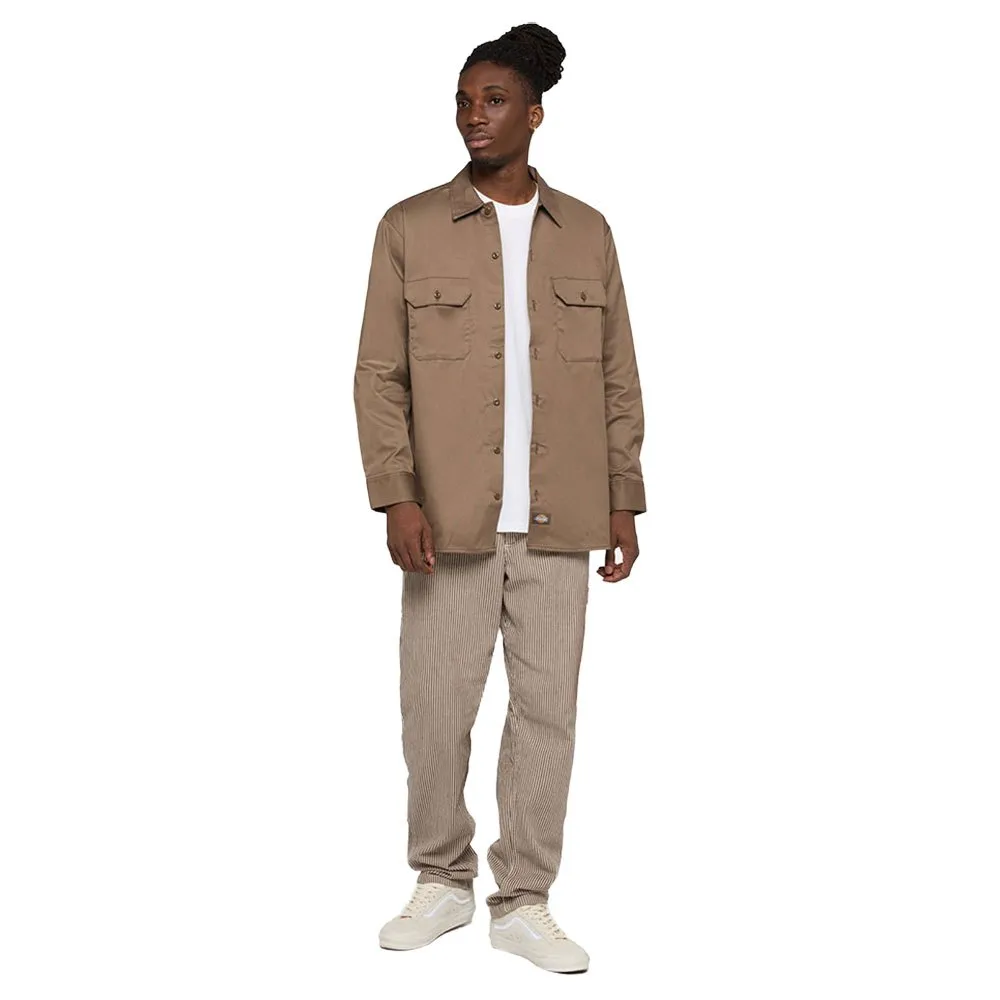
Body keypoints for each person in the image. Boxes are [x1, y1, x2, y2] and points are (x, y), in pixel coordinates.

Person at [352, 22, 646, 975]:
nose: (473, 116)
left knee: (548, 716)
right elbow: (378, 375)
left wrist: (624, 497)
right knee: (436, 711)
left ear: (535, 113)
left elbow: (617, 375)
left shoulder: (588, 232)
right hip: (448, 521)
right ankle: (441, 880)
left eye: (493, 100)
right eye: (463, 101)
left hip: (565, 515)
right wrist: (396, 494)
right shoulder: (408, 227)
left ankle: (524, 900)